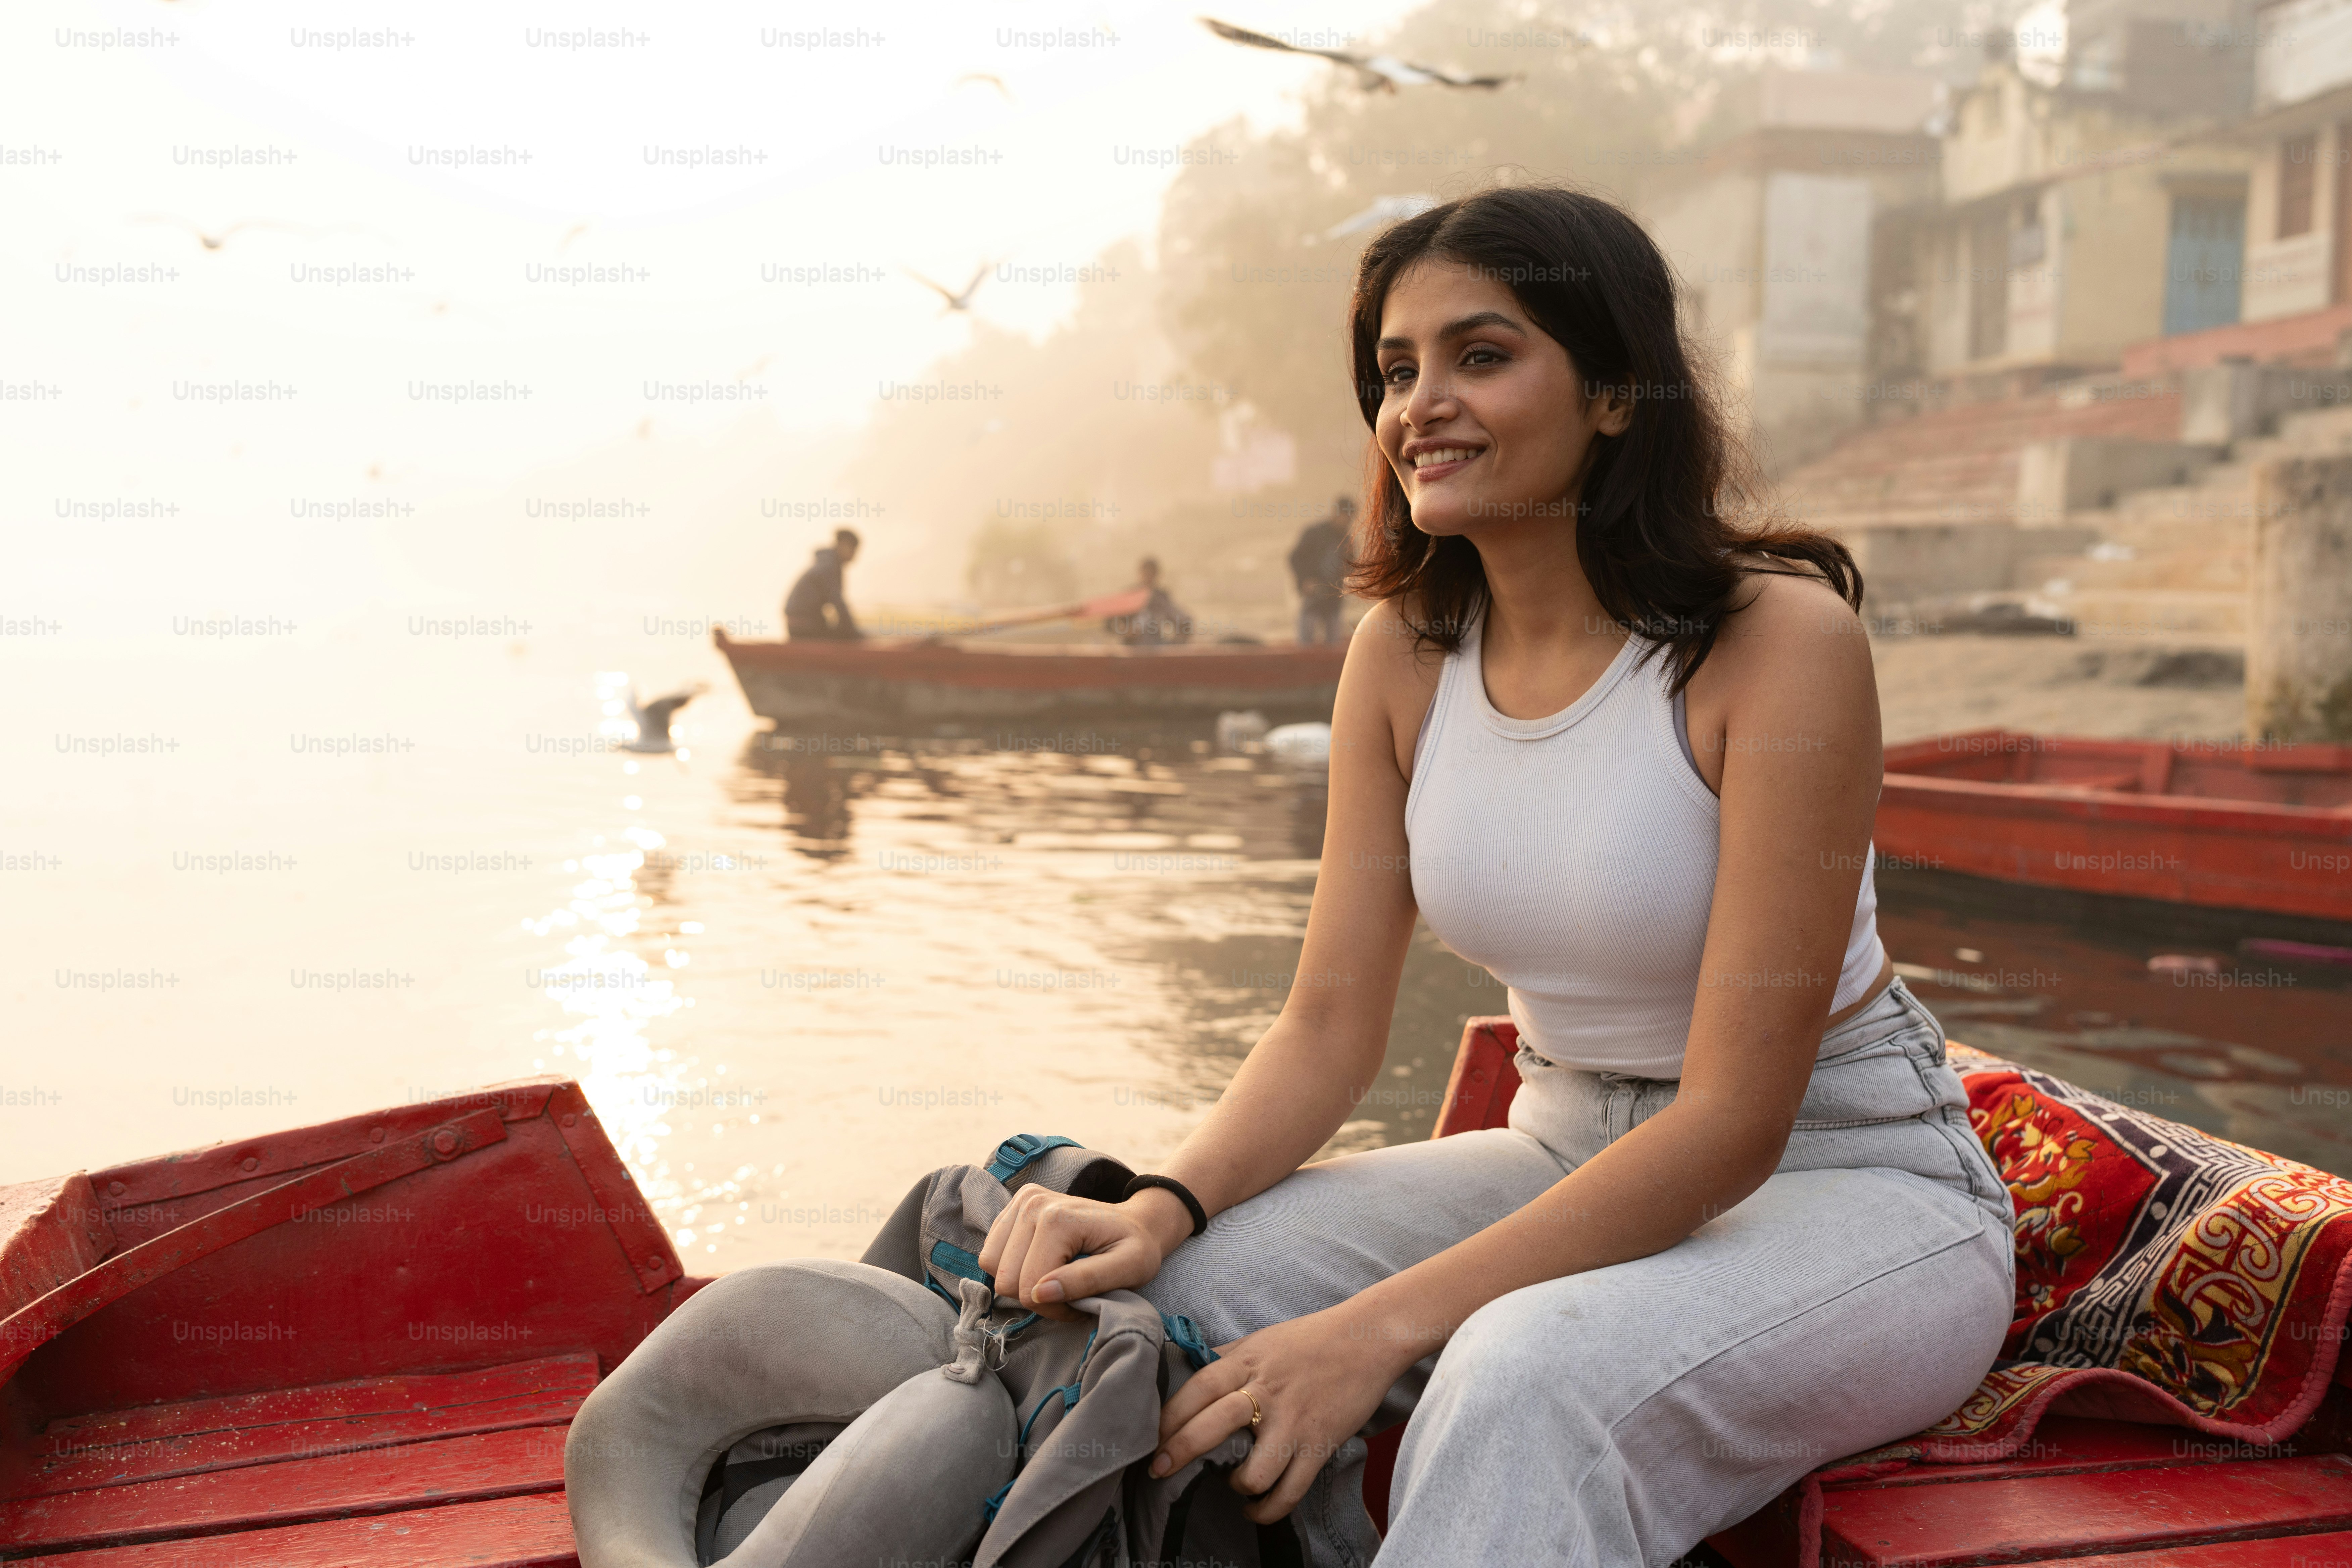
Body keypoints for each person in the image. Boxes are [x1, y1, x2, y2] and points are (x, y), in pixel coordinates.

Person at [975, 187, 2014, 1567]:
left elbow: (1731, 1125)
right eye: (1396, 369)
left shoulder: (1776, 643)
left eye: (1480, 355)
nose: (1421, 405)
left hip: (1847, 1183)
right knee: (1194, 1294)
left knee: (1522, 1374)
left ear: (1615, 394)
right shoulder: (1402, 657)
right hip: (1557, 1141)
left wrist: (1371, 1330)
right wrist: (1163, 1203)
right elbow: (1326, 1026)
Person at [1288, 497, 1354, 644]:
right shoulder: (1315, 533)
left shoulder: (1347, 539)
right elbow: (1295, 558)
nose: (1347, 521)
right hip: (1313, 595)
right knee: (1306, 641)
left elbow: (1350, 569)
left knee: (1334, 643)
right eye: (1345, 516)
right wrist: (1305, 580)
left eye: (1350, 518)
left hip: (1334, 598)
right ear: (1336, 513)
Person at [783, 529, 863, 640]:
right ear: (842, 545)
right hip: (804, 624)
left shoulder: (828, 564)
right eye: (853, 549)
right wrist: (855, 633)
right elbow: (838, 603)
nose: (854, 555)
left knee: (841, 633)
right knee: (844, 637)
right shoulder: (829, 568)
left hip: (802, 622)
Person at [1108, 556, 1192, 645]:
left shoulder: (1160, 598)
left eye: (1151, 573)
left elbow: (1184, 621)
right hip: (1131, 648)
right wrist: (1126, 632)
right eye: (1146, 573)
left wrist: (1176, 644)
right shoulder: (1131, 596)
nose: (1149, 577)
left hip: (1155, 647)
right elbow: (1111, 623)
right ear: (1141, 573)